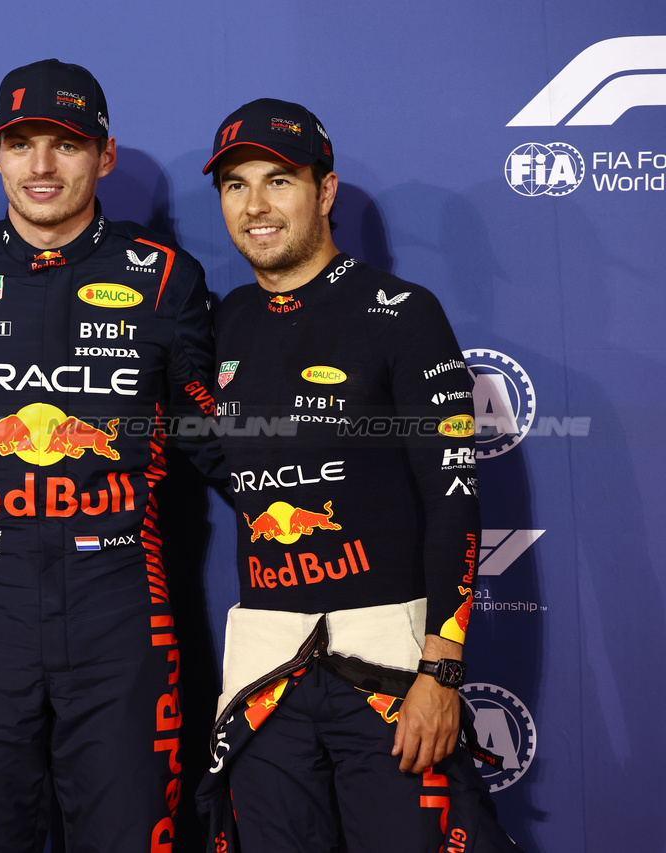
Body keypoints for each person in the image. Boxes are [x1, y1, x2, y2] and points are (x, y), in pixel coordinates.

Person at [0, 59, 217, 852]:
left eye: (66, 144)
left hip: (121, 616)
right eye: (22, 143)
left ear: (106, 155)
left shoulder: (164, 278)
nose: (43, 166)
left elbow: (220, 441)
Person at [196, 99, 520, 851]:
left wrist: (441, 674)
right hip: (265, 681)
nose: (256, 206)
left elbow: (453, 503)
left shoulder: (403, 313)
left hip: (391, 678)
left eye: (279, 181)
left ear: (326, 190)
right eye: (236, 185)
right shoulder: (224, 322)